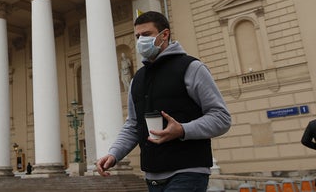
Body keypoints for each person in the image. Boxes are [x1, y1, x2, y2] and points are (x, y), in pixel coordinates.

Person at [96, 11, 231, 191]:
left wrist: (183, 130)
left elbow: (221, 118)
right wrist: (113, 154)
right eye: (137, 36)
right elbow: (133, 125)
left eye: (146, 35)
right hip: (152, 177)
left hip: (188, 172)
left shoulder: (191, 68)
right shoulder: (138, 79)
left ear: (164, 34)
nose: (140, 41)